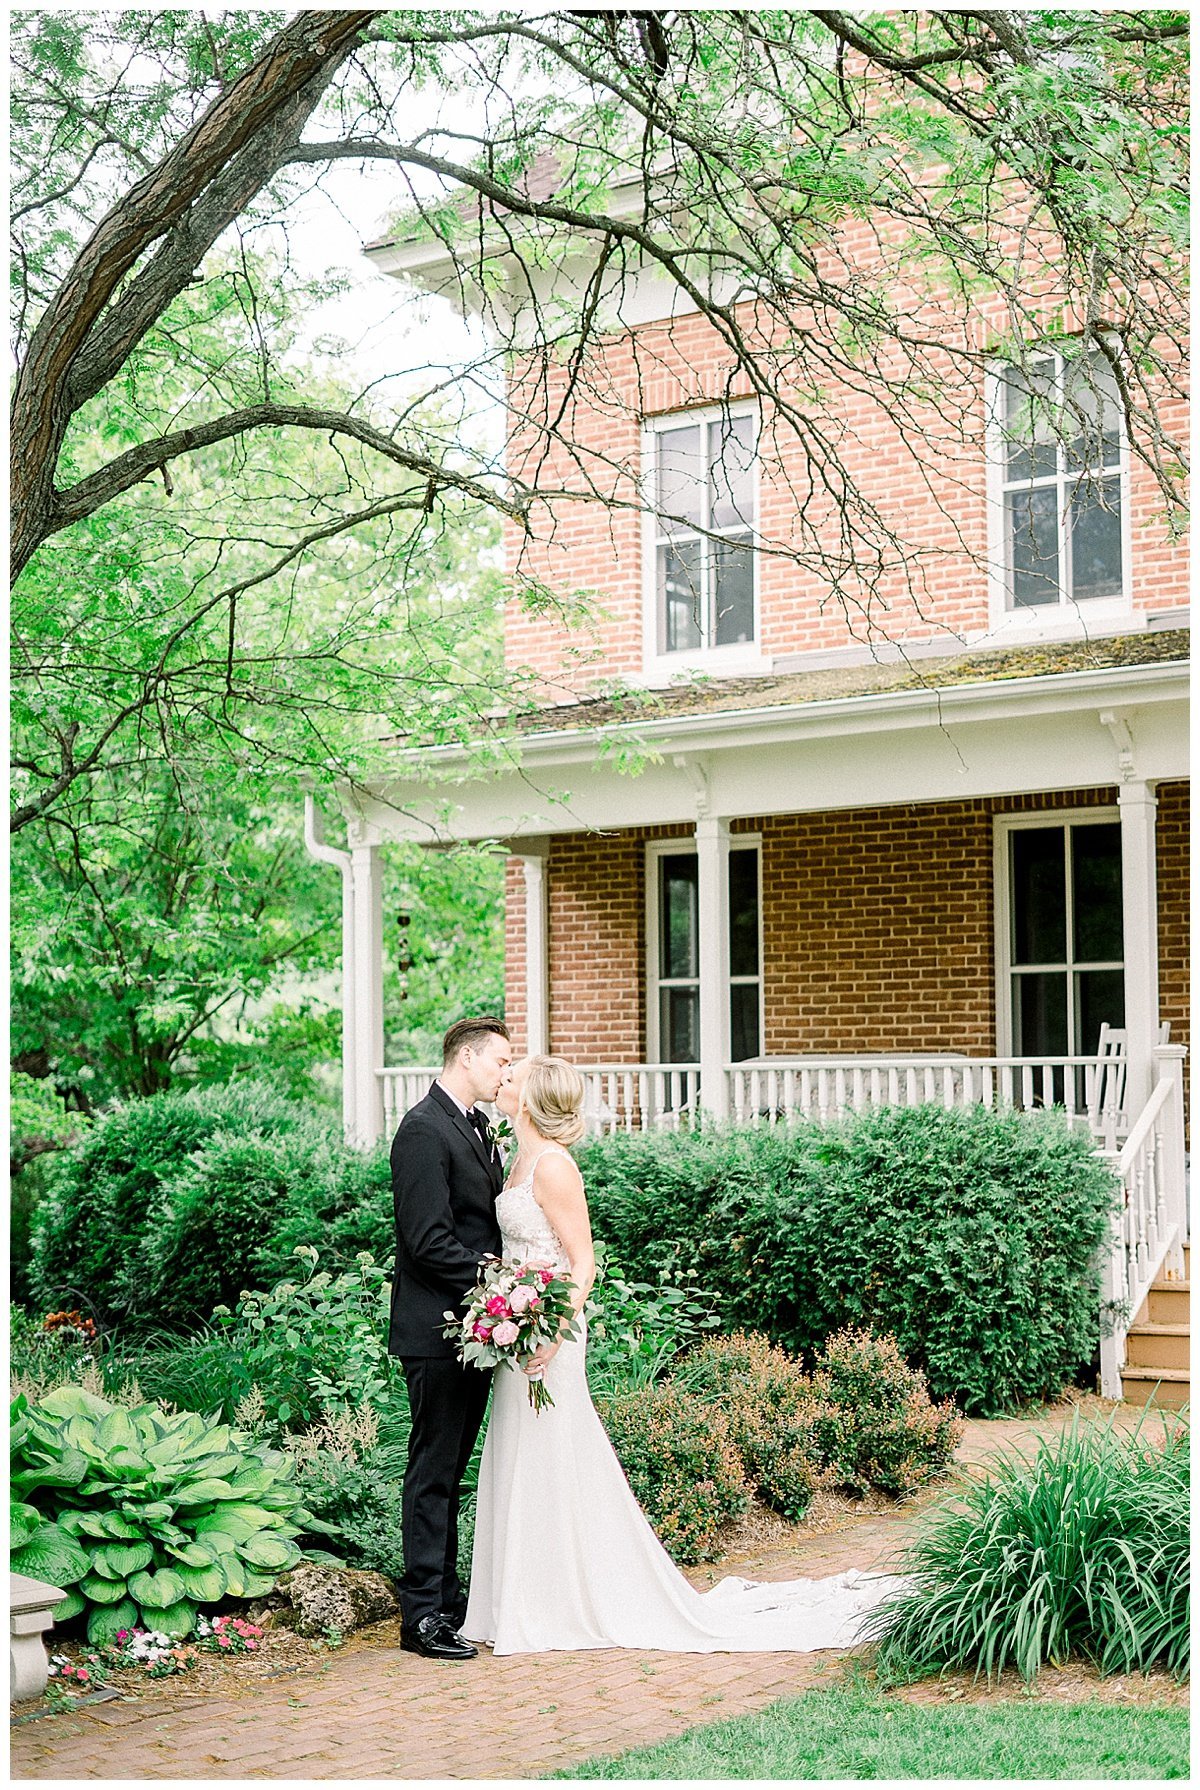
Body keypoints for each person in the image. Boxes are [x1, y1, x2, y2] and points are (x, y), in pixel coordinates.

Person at [463, 1053, 905, 1655]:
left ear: (535, 1096)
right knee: (517, 1449)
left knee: (555, 1449)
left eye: (514, 1076)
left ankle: (561, 1601)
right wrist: (502, 1310)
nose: (504, 1077)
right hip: (517, 1327)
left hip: (551, 1334)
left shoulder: (555, 1168)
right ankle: (519, 1598)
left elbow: (582, 1262)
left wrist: (552, 1324)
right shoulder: (515, 1158)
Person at [389, 1015, 512, 1661]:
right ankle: (421, 1619)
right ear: (466, 1058)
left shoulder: (475, 1126)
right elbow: (428, 1241)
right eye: (499, 1062)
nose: (506, 1073)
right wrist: (502, 1285)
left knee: (452, 1472)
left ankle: (448, 1602)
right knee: (433, 1472)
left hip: (475, 1330)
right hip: (437, 1331)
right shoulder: (421, 1130)